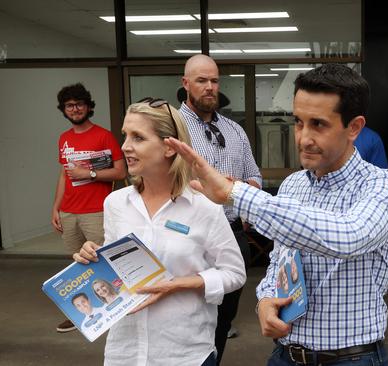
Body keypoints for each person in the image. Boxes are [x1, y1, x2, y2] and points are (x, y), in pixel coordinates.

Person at [166, 63, 388, 366]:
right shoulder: (293, 185)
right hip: (287, 354)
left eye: (318, 124)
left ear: (354, 127)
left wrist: (235, 194)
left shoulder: (382, 186)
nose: (303, 138)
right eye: (298, 122)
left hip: (351, 357)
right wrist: (265, 300)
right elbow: (281, 261)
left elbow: (348, 237)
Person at [73, 98, 246, 366]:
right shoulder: (116, 204)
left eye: (138, 137)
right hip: (125, 352)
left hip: (184, 353)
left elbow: (234, 273)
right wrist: (93, 257)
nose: (125, 146)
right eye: (125, 135)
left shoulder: (203, 208)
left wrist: (181, 284)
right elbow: (114, 268)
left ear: (169, 147)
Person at [178, 54, 262, 364]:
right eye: (201, 80)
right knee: (188, 313)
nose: (210, 87)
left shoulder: (235, 130)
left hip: (231, 233)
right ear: (186, 83)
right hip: (188, 233)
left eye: (214, 80)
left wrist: (239, 188)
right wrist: (203, 189)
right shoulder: (172, 128)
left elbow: (255, 176)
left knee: (224, 318)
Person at [52, 83, 127, 333]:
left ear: (88, 106)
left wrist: (89, 172)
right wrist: (56, 208)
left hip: (96, 210)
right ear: (64, 109)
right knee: (76, 266)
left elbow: (121, 171)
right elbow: (63, 176)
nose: (75, 109)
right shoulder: (64, 138)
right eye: (70, 105)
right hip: (69, 211)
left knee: (102, 262)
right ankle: (81, 313)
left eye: (79, 104)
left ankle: (116, 308)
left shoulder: (104, 135)